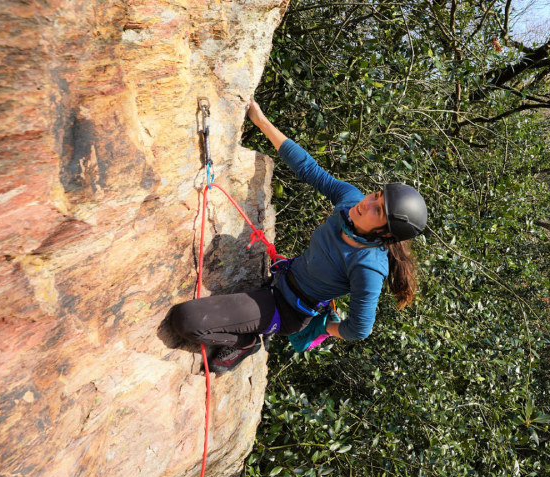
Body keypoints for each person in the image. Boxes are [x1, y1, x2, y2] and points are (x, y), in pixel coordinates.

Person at [171, 101, 427, 374]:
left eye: (378, 211)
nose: (367, 203)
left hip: (286, 310)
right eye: (376, 195)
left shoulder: (368, 266)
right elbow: (308, 169)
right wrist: (261, 121)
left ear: (385, 233)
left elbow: (360, 329)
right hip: (281, 278)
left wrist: (322, 328)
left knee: (186, 320)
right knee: (188, 318)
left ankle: (246, 343)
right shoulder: (349, 201)